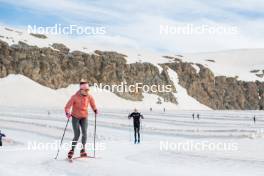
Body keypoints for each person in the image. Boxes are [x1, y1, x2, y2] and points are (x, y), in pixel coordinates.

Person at [65, 80, 98, 159]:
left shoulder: (89, 96)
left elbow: (93, 103)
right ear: (81, 90)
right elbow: (67, 107)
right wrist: (67, 113)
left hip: (84, 117)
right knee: (77, 134)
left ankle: (82, 150)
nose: (87, 91)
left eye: (88, 90)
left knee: (84, 133)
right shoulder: (74, 97)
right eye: (86, 90)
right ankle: (72, 150)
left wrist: (95, 109)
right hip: (75, 116)